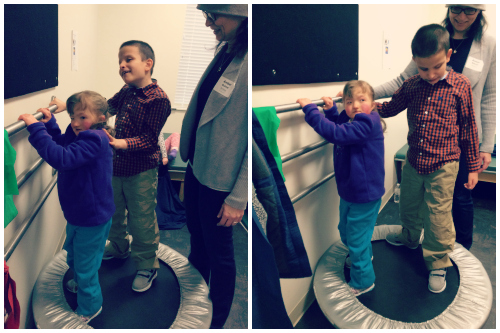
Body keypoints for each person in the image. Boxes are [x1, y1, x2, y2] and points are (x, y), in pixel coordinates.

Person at [50, 40, 171, 293]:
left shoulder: (158, 99)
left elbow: (150, 140)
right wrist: (69, 108)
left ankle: (147, 264)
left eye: (128, 59)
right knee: (113, 213)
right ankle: (118, 247)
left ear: (148, 64)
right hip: (116, 168)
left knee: (142, 220)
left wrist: (119, 142)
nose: (122, 65)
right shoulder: (127, 90)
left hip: (141, 171)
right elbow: (102, 109)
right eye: (120, 61)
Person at [373, 5, 495, 250]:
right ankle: (411, 237)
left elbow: (489, 98)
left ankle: (456, 252)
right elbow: (399, 89)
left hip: (458, 145)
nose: (462, 16)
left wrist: (485, 147)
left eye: (470, 11)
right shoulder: (428, 42)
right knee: (411, 202)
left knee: (455, 201)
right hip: (420, 150)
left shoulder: (486, 47)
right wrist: (363, 95)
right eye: (457, 9)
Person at [378, 24, 480, 293]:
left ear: (448, 55)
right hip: (414, 161)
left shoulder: (461, 86)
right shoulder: (411, 85)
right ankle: (410, 237)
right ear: (415, 62)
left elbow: (469, 127)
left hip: (445, 164)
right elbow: (389, 108)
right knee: (409, 205)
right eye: (424, 69)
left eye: (437, 66)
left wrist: (472, 167)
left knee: (438, 215)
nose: (431, 74)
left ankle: (437, 261)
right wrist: (362, 104)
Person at [18, 91, 115, 323]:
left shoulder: (96, 139)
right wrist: (50, 125)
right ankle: (81, 279)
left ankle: (91, 305)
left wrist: (36, 129)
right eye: (72, 117)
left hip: (93, 217)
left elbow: (62, 158)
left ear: (101, 117)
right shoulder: (82, 133)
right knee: (73, 251)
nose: (75, 123)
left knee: (86, 264)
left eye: (82, 117)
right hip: (79, 213)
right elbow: (63, 144)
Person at [179, 4, 248, 329]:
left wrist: (238, 198)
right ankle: (194, 303)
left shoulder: (251, 59)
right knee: (197, 241)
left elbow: (253, 143)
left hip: (222, 181)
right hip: (198, 167)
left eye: (213, 14)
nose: (208, 22)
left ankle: (215, 321)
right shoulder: (228, 51)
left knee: (220, 255)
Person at [296, 80, 385, 296]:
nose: (355, 105)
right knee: (346, 231)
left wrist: (311, 110)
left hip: (365, 195)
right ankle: (365, 254)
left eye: (362, 100)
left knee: (355, 239)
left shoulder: (368, 123)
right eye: (349, 101)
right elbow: (342, 126)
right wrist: (330, 111)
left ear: (372, 104)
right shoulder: (356, 120)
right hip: (350, 191)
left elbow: (337, 134)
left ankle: (364, 281)